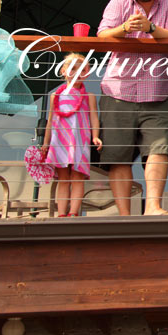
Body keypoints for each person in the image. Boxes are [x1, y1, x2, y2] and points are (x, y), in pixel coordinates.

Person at [98, 0, 168, 216]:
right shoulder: (118, 3)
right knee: (118, 155)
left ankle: (153, 207)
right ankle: (124, 217)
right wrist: (124, 28)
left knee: (158, 149)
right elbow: (102, 35)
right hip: (117, 91)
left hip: (156, 91)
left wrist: (151, 28)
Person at [41, 53, 102, 217]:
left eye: (83, 70)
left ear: (87, 74)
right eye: (73, 68)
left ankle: (73, 212)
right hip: (60, 141)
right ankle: (61, 213)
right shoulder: (56, 96)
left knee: (77, 177)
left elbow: (94, 118)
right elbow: (50, 122)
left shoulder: (88, 96)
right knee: (63, 178)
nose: (77, 73)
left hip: (79, 141)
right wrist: (46, 143)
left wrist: (95, 136)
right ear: (63, 71)